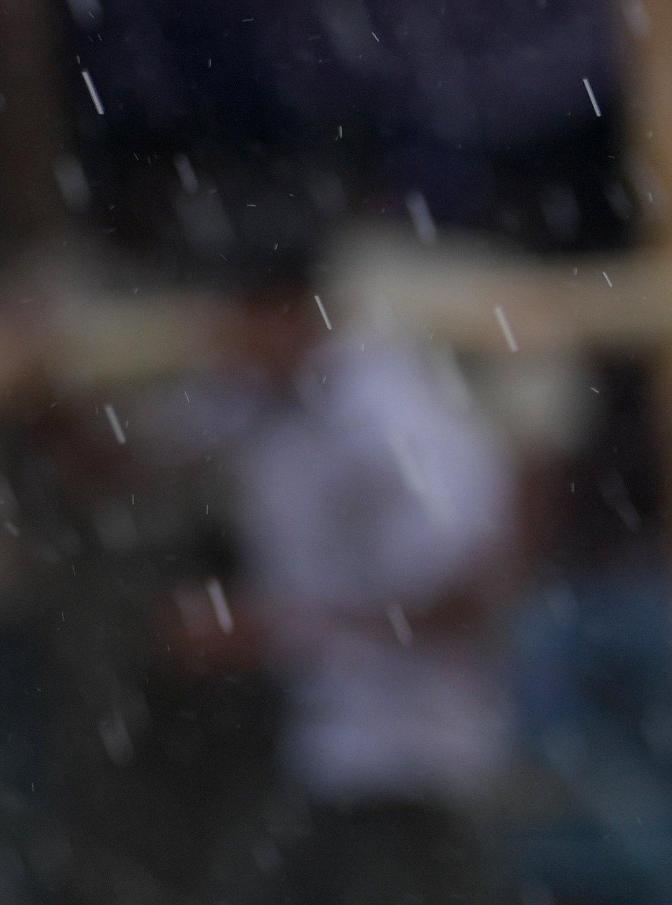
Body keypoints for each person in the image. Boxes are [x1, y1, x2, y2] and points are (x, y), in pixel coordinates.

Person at [179, 224, 518, 905]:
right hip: (314, 748)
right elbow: (121, 459)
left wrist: (277, 628)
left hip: (410, 760)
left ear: (291, 311)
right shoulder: (251, 397)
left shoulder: (392, 418)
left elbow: (469, 600)